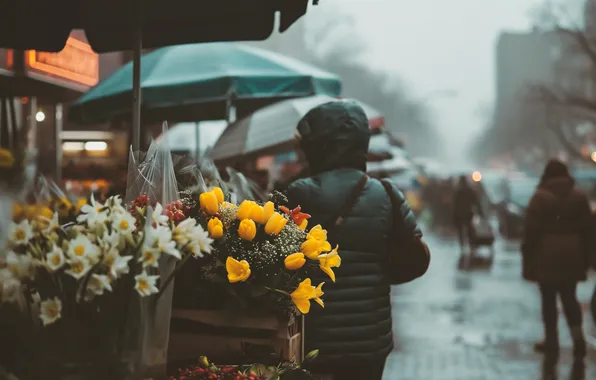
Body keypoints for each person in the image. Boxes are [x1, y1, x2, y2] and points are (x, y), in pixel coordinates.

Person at [286, 101, 430, 380]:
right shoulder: (387, 193)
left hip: (316, 339)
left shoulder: (299, 193)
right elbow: (416, 261)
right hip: (371, 342)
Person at [522, 159, 593, 372]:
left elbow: (530, 233)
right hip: (573, 255)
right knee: (570, 298)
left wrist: (528, 259)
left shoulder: (539, 198)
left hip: (546, 255)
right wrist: (587, 259)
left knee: (548, 301)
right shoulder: (579, 197)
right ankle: (578, 338)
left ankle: (551, 341)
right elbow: (589, 231)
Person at [452, 175, 483, 253]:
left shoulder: (458, 191)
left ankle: (463, 245)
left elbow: (455, 205)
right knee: (470, 230)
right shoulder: (470, 190)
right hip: (468, 213)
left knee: (461, 231)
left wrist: (453, 216)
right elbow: (476, 202)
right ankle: (471, 245)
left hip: (460, 214)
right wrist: (480, 212)